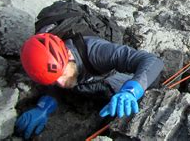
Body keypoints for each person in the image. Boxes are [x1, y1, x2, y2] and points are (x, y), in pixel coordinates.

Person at [15, 32, 164, 139]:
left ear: (68, 55)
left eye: (62, 74)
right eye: (54, 80)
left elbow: (152, 61)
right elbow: (53, 85)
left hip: (111, 81)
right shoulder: (49, 65)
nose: (60, 82)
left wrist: (131, 90)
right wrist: (44, 107)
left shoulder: (96, 51)